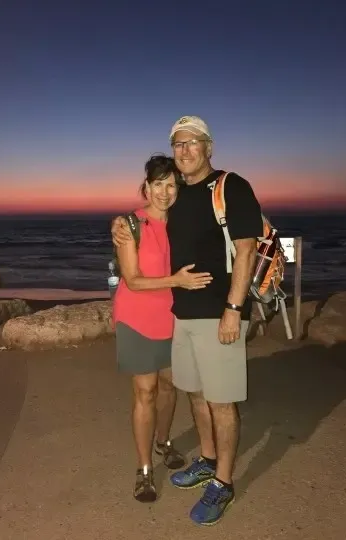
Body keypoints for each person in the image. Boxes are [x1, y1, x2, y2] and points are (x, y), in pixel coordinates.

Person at [112, 116, 263, 525]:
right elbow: (150, 231)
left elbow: (246, 251)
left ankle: (224, 482)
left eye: (193, 142)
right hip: (181, 316)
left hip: (219, 315)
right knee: (196, 393)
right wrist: (125, 224)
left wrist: (233, 310)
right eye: (178, 143)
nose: (185, 150)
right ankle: (207, 459)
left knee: (221, 400)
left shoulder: (231, 186)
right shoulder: (176, 199)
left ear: (209, 146)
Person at [113, 154, 213, 503]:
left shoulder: (182, 223)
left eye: (172, 184)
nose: (165, 191)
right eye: (159, 184)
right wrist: (177, 280)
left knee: (171, 385)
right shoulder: (130, 224)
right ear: (147, 187)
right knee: (146, 391)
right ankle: (143, 471)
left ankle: (163, 441)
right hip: (137, 318)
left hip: (173, 317)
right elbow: (133, 281)